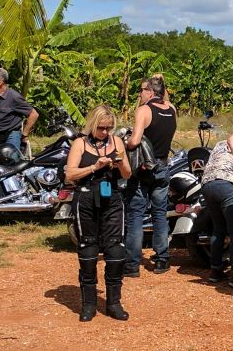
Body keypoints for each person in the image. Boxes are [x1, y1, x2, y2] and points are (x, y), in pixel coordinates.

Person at [64, 104, 133, 322]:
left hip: (111, 197)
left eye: (109, 128)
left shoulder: (117, 142)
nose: (105, 132)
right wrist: (94, 167)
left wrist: (119, 164)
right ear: (93, 125)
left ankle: (113, 302)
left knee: (116, 251)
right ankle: (89, 304)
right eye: (101, 128)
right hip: (86, 198)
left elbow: (127, 174)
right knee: (88, 251)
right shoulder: (80, 143)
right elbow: (70, 174)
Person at [124, 74, 177, 276]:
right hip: (163, 166)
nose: (139, 94)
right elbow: (165, 99)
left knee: (136, 214)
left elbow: (135, 141)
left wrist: (126, 142)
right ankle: (162, 259)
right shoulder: (172, 109)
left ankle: (132, 264)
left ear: (150, 91)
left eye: (142, 90)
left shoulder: (144, 110)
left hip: (144, 168)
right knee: (159, 213)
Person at [199, 122, 233, 286]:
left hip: (207, 184)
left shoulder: (220, 144)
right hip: (228, 184)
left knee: (218, 229)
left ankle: (215, 270)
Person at [0, 68, 37, 158]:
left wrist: (25, 134)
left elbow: (34, 114)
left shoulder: (13, 97)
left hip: (11, 136)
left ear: (0, 82)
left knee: (11, 161)